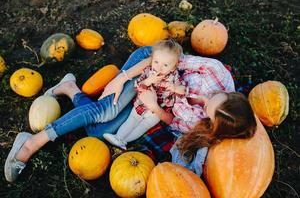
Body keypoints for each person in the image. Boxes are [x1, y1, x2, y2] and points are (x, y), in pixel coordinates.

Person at [4, 44, 257, 183]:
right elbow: (165, 58)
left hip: (148, 102)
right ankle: (30, 144)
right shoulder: (216, 73)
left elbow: (172, 121)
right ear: (231, 94)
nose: (202, 99)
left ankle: (71, 89)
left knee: (98, 132)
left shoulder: (202, 124)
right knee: (106, 110)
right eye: (213, 97)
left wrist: (154, 106)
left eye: (206, 109)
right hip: (150, 65)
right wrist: (122, 78)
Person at [103, 40, 185, 149]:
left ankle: (124, 141)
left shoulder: (174, 77)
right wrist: (148, 81)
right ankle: (118, 137)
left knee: (143, 127)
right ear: (152, 59)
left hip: (158, 111)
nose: (159, 67)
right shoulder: (148, 71)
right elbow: (138, 86)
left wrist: (175, 88)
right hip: (141, 104)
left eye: (165, 65)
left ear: (174, 66)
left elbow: (183, 90)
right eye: (156, 62)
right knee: (131, 121)